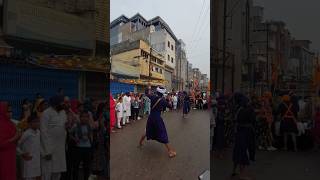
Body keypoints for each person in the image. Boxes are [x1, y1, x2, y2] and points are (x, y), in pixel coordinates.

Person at [139, 86, 176, 158]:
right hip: (157, 118)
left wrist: (148, 88)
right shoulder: (163, 100)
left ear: (157, 91)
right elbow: (171, 107)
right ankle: (170, 152)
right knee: (163, 132)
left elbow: (146, 93)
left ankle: (140, 143)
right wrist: (169, 100)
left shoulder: (152, 97)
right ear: (163, 93)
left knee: (147, 130)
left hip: (151, 117)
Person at [40, 95, 67, 180]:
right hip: (49, 148)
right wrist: (47, 150)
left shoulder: (63, 112)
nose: (63, 105)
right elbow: (43, 132)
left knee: (58, 172)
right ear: (56, 104)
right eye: (62, 103)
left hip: (60, 147)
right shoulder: (46, 113)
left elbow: (63, 126)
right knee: (47, 172)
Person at [232, 93, 256, 180]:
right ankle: (242, 175)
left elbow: (235, 119)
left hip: (238, 131)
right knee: (243, 151)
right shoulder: (248, 109)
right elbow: (253, 120)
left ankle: (234, 170)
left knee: (237, 150)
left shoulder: (237, 108)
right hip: (246, 132)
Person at [0, 102, 21, 180]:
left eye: (11, 111)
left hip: (12, 155)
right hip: (3, 156)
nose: (10, 113)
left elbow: (15, 139)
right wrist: (15, 138)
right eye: (8, 111)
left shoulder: (11, 123)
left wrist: (19, 135)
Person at [70, 111, 93, 180]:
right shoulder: (76, 125)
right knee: (76, 166)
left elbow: (91, 134)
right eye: (83, 117)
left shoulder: (89, 126)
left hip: (87, 148)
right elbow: (70, 133)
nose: (84, 118)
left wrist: (91, 139)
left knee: (87, 167)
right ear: (80, 118)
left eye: (86, 117)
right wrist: (75, 139)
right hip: (79, 148)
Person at [17, 113, 41, 180]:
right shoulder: (26, 133)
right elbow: (17, 146)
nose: (37, 123)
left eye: (38, 121)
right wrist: (22, 154)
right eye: (35, 122)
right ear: (29, 123)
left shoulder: (39, 132)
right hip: (28, 162)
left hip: (36, 162)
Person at [91, 103, 108, 180]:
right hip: (99, 136)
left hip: (102, 136)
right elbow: (97, 126)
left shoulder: (102, 115)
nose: (105, 109)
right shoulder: (98, 116)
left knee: (101, 153)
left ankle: (99, 169)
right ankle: (97, 170)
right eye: (104, 108)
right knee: (98, 153)